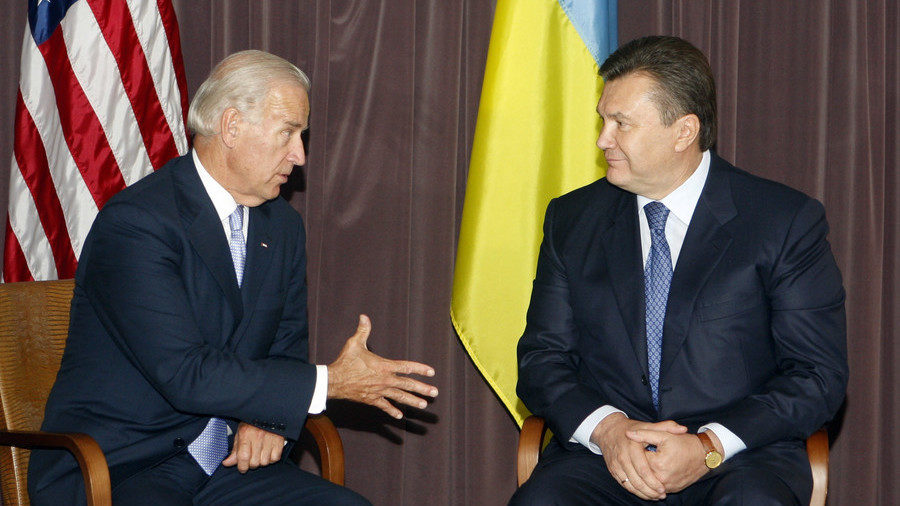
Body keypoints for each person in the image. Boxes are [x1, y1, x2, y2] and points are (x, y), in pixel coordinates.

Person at [28, 50, 438, 506]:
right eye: (288, 133)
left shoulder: (280, 227)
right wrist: (329, 384)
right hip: (122, 467)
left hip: (226, 461)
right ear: (231, 126)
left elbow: (284, 349)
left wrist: (266, 418)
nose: (300, 155)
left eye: (301, 136)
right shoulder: (137, 225)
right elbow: (186, 373)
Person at [511, 36, 848, 505]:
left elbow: (817, 374)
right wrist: (608, 430)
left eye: (621, 124)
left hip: (737, 459)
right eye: (603, 120)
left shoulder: (782, 221)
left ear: (683, 131)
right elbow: (541, 360)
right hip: (608, 459)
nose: (602, 139)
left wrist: (708, 446)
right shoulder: (573, 219)